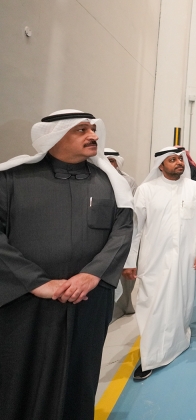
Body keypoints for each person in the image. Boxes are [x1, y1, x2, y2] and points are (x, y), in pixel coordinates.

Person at [0, 109, 133, 419]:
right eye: (81, 130)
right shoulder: (12, 179)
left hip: (88, 299)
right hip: (25, 300)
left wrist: (92, 275)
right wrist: (36, 282)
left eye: (93, 129)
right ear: (54, 135)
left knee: (79, 375)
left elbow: (123, 231)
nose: (94, 135)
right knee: (20, 376)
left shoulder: (110, 183)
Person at [122, 147, 196, 380]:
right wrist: (130, 260)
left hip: (185, 259)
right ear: (160, 165)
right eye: (172, 160)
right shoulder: (146, 190)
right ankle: (152, 356)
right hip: (154, 261)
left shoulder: (195, 189)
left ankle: (177, 341)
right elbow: (135, 228)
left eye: (180, 159)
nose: (179, 163)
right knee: (152, 305)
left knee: (182, 302)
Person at [105, 148, 140, 321]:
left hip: (125, 228)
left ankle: (126, 304)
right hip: (103, 231)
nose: (109, 164)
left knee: (127, 270)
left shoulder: (128, 180)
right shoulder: (95, 178)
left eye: (112, 161)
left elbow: (133, 207)